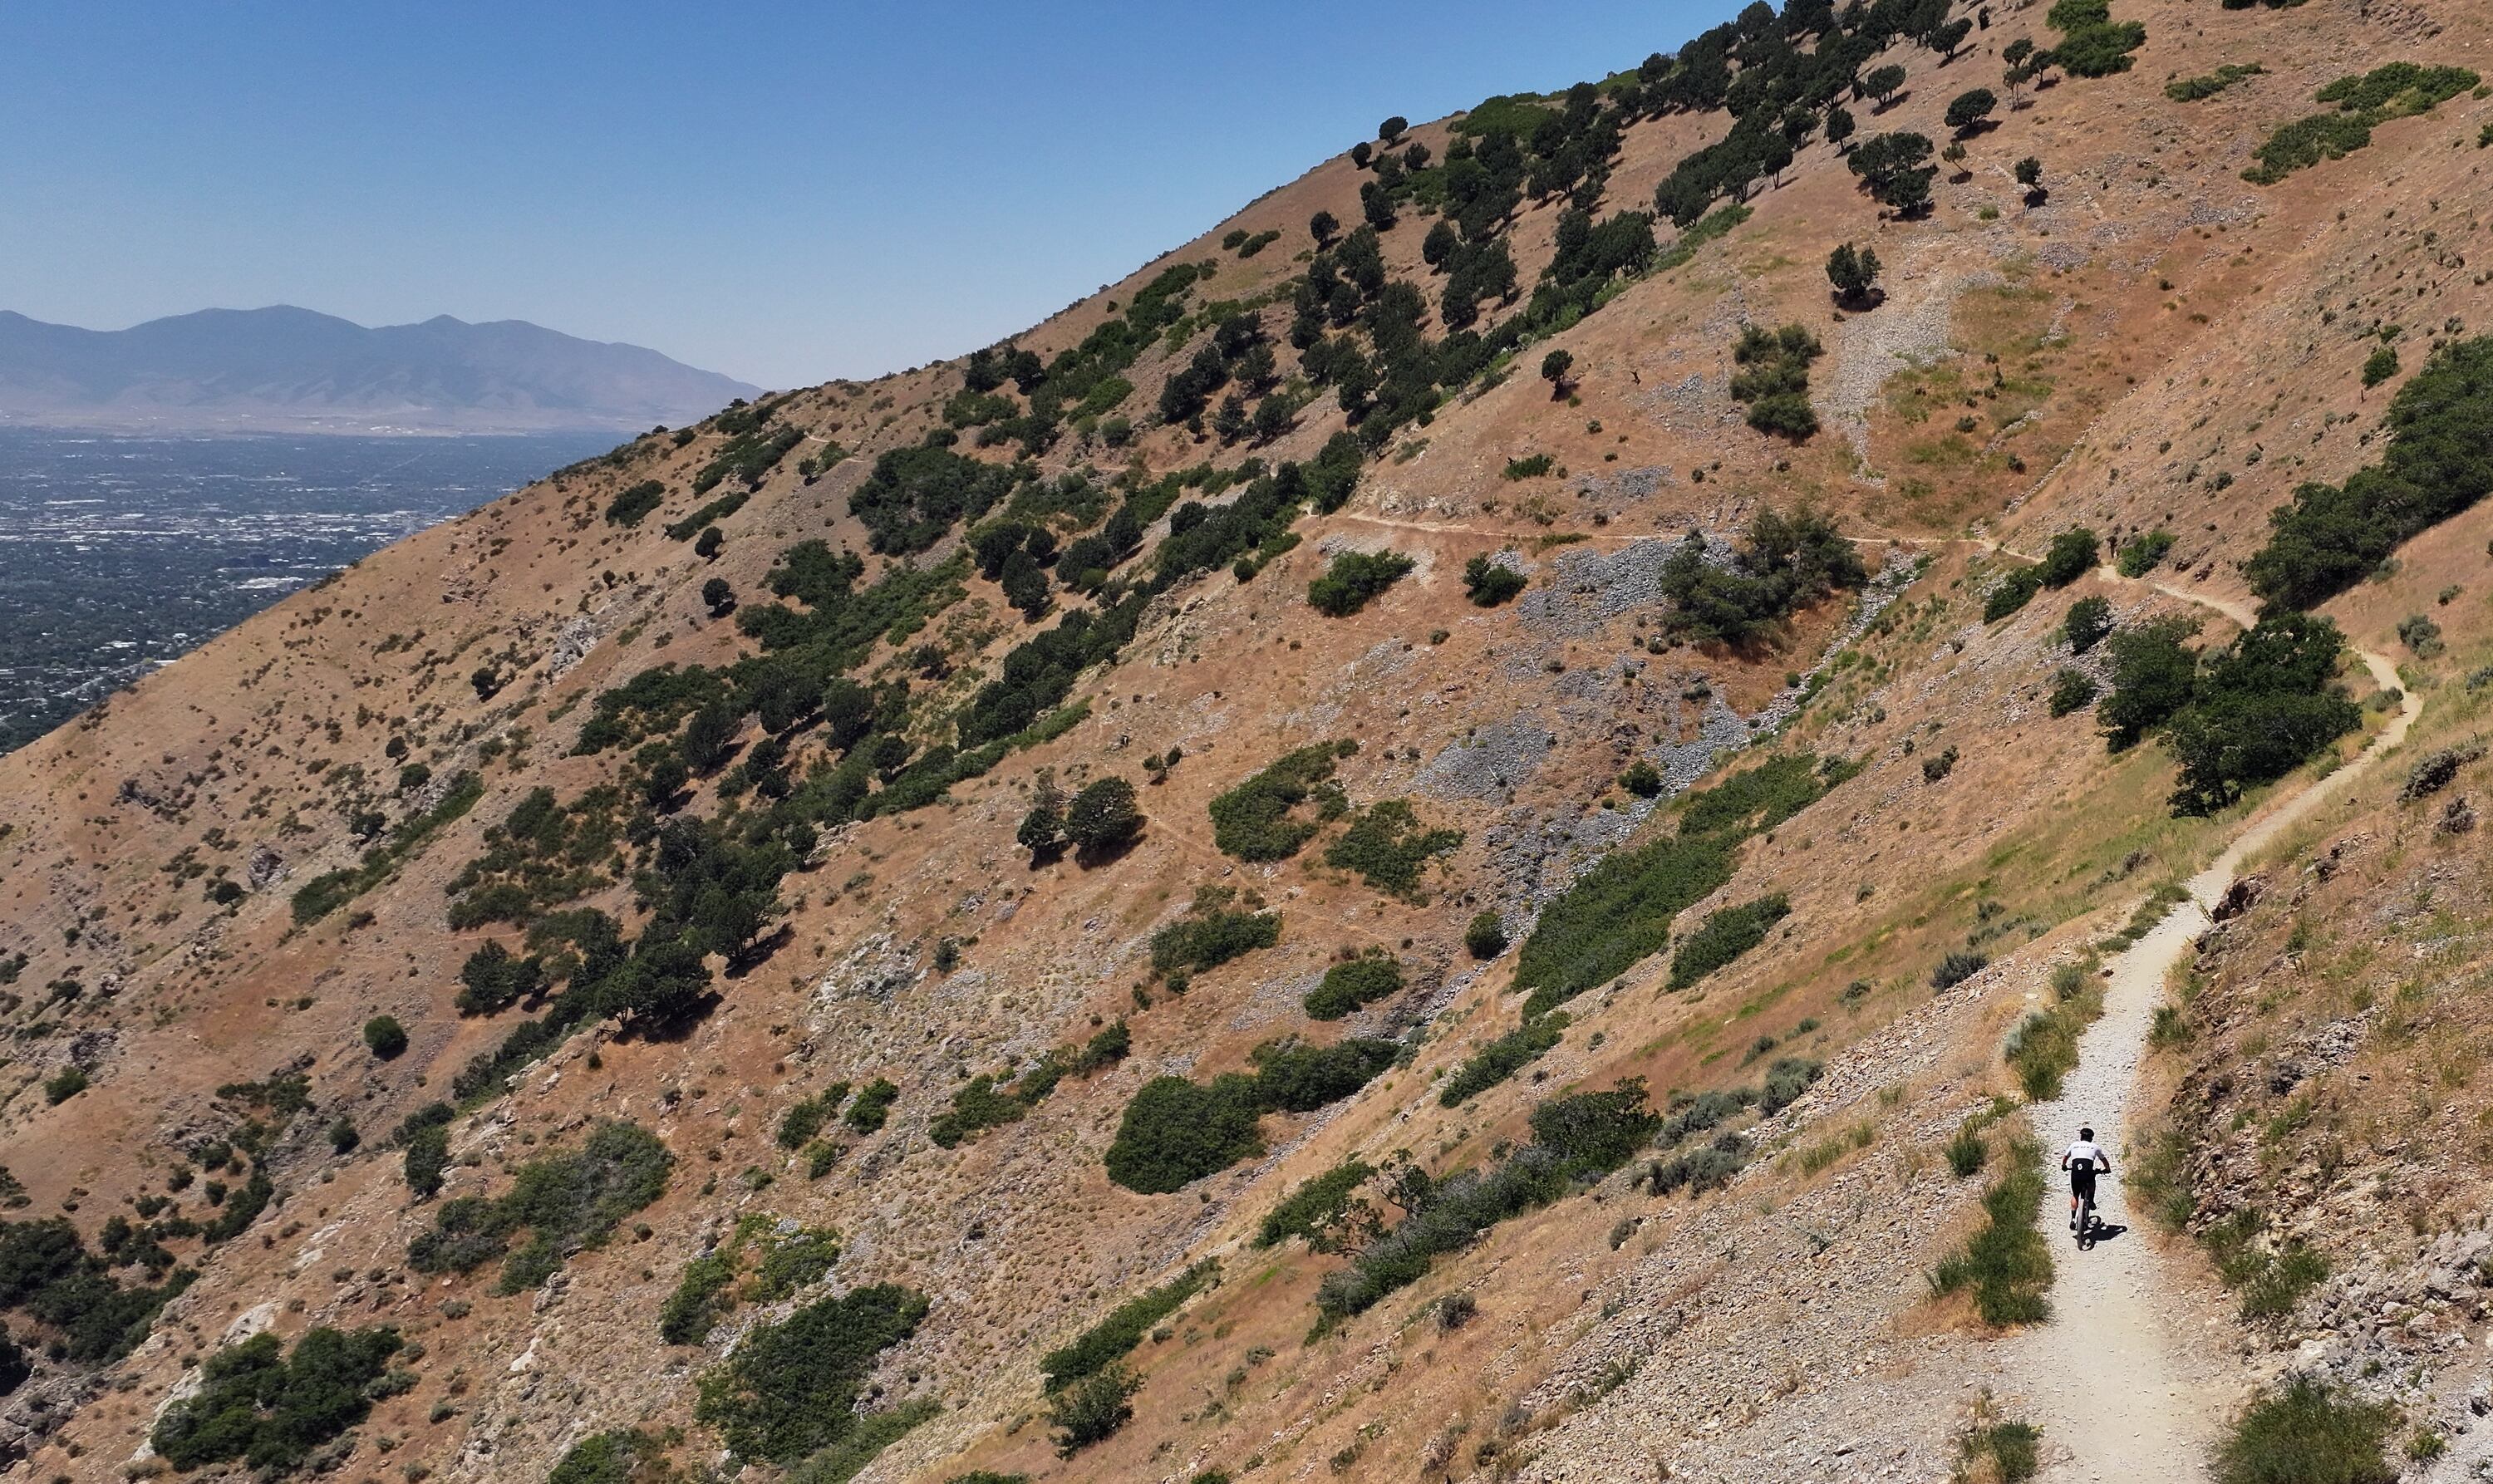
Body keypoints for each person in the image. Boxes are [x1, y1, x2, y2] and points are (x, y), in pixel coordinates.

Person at [2062, 1127, 2108, 1231]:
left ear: (2081, 1136)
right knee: (2092, 1182)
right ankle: (2091, 1200)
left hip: (2075, 1173)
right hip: (2087, 1173)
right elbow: (2104, 1160)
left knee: (2075, 1195)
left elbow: (2065, 1158)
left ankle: (2073, 1219)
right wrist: (2107, 1169)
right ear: (2091, 1138)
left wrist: (2064, 1166)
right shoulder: (2095, 1147)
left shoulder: (2074, 1145)